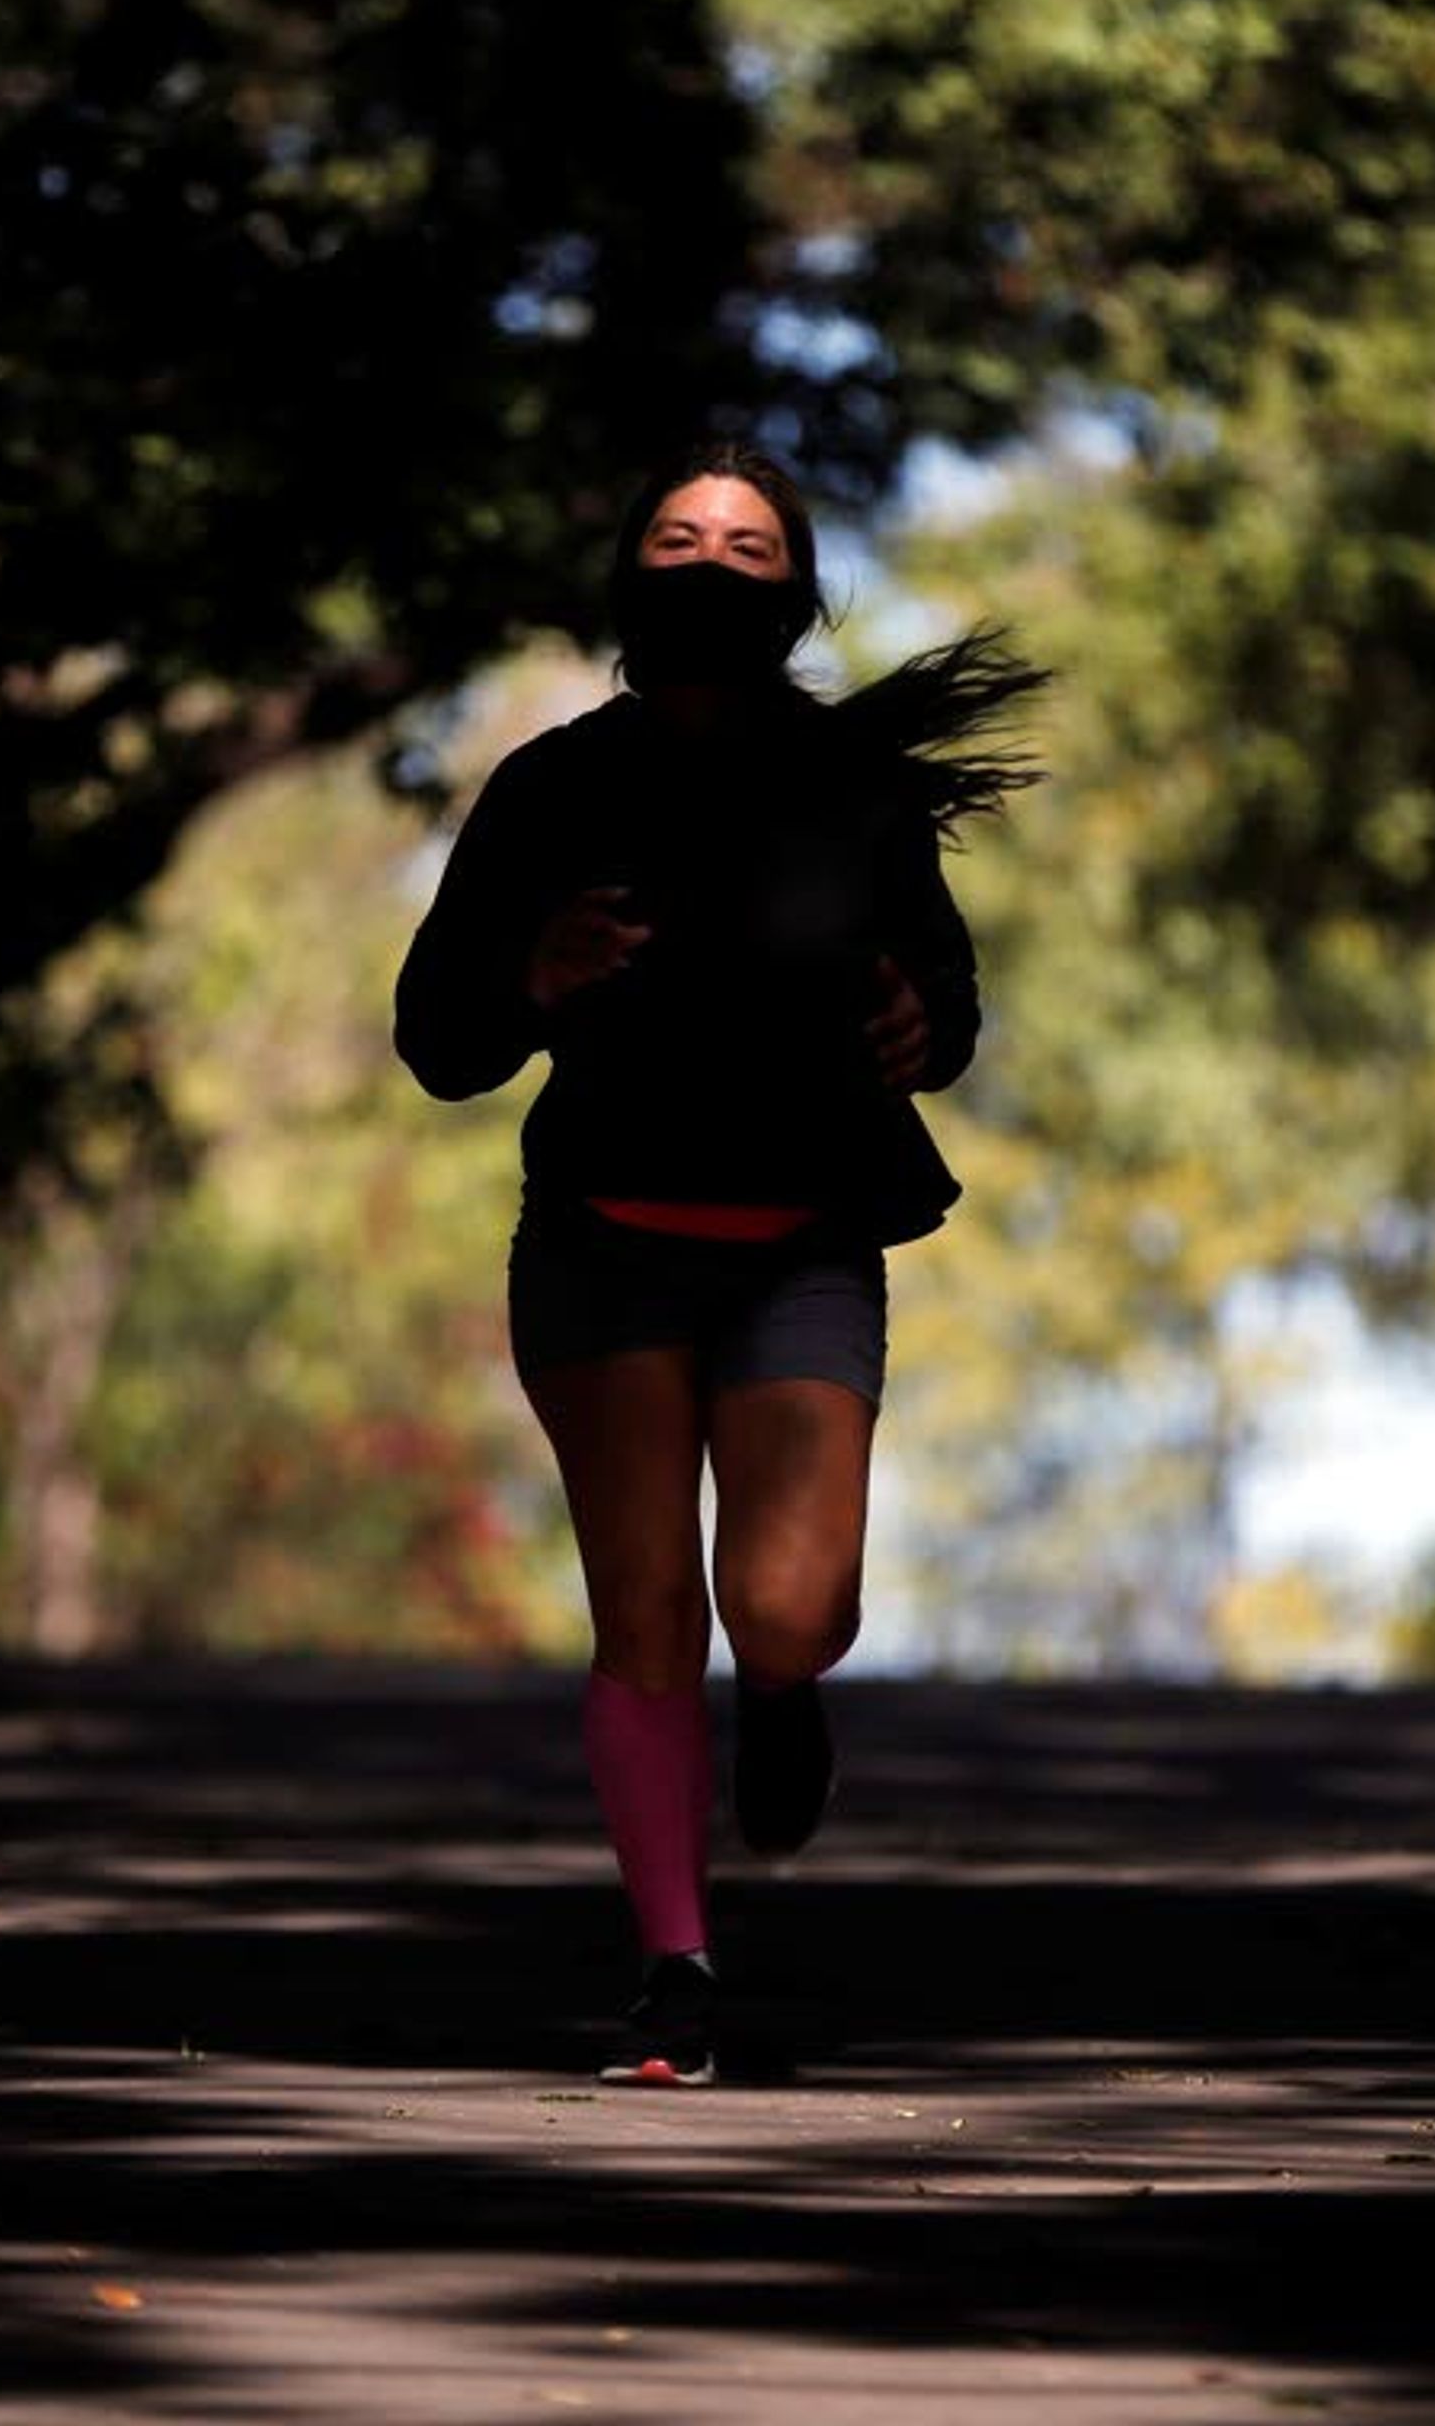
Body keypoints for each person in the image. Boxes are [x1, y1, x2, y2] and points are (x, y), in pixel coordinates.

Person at [394, 436, 1042, 2085]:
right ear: (626, 579)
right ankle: (673, 1973)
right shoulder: (550, 789)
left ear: (796, 596)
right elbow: (438, 1039)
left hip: (805, 1249)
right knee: (646, 1618)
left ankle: (792, 1688)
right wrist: (534, 973)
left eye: (747, 547)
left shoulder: (861, 791)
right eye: (678, 536)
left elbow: (945, 1003)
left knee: (788, 1603)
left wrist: (921, 1024)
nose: (708, 561)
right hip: (603, 1245)